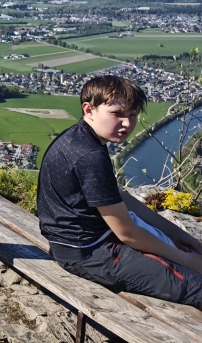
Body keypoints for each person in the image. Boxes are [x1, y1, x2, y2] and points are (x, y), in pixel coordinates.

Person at [38, 75, 202, 307]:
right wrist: (189, 261)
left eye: (133, 115)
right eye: (117, 114)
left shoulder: (79, 138)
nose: (127, 123)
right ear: (89, 109)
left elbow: (119, 197)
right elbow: (128, 234)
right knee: (196, 286)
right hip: (90, 254)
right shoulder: (90, 156)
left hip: (76, 244)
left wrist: (181, 236)